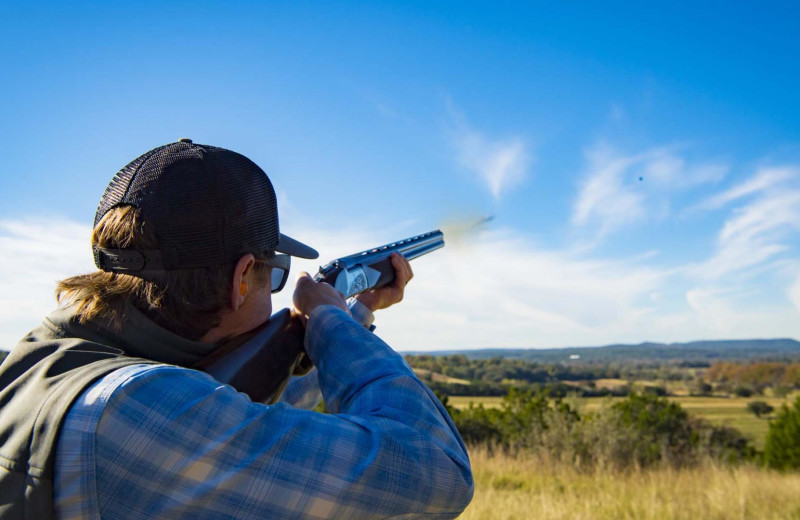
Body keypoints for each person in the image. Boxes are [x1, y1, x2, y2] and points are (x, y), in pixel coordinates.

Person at [0, 140, 473, 519]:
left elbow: (251, 414)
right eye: (275, 275)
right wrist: (327, 320)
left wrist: (357, 315)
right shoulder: (137, 406)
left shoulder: (43, 361)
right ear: (241, 278)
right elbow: (438, 472)